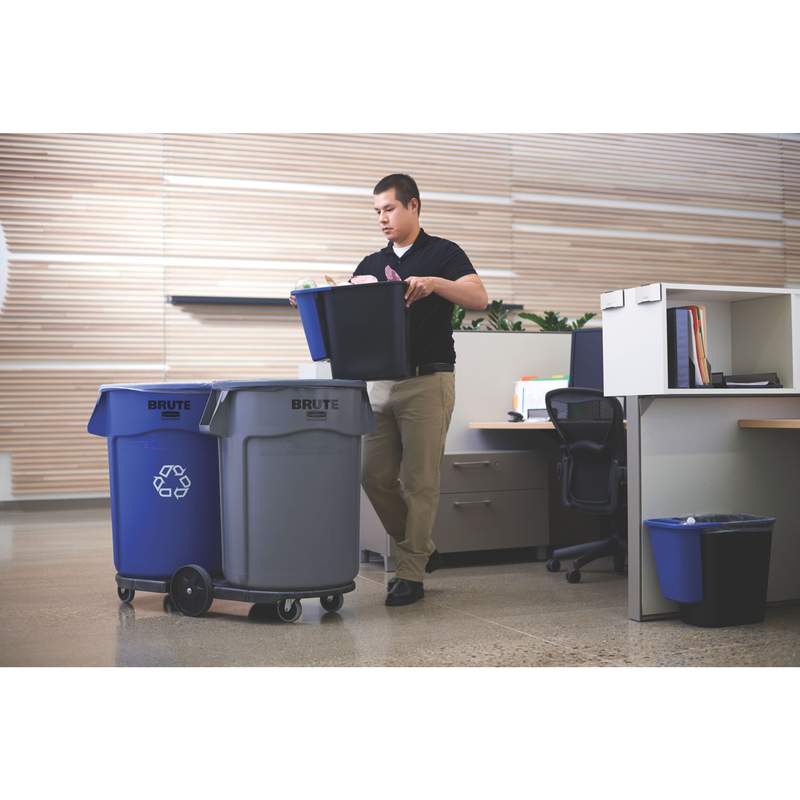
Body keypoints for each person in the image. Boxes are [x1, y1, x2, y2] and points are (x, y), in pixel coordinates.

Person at [354, 174, 488, 606]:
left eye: (389, 209)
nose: (382, 219)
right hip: (379, 383)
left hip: (428, 381)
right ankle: (421, 547)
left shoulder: (443, 253)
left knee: (420, 481)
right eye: (377, 211)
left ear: (413, 206)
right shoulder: (372, 264)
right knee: (373, 476)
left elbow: (478, 297)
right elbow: (346, 306)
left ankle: (410, 573)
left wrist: (433, 283)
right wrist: (314, 298)